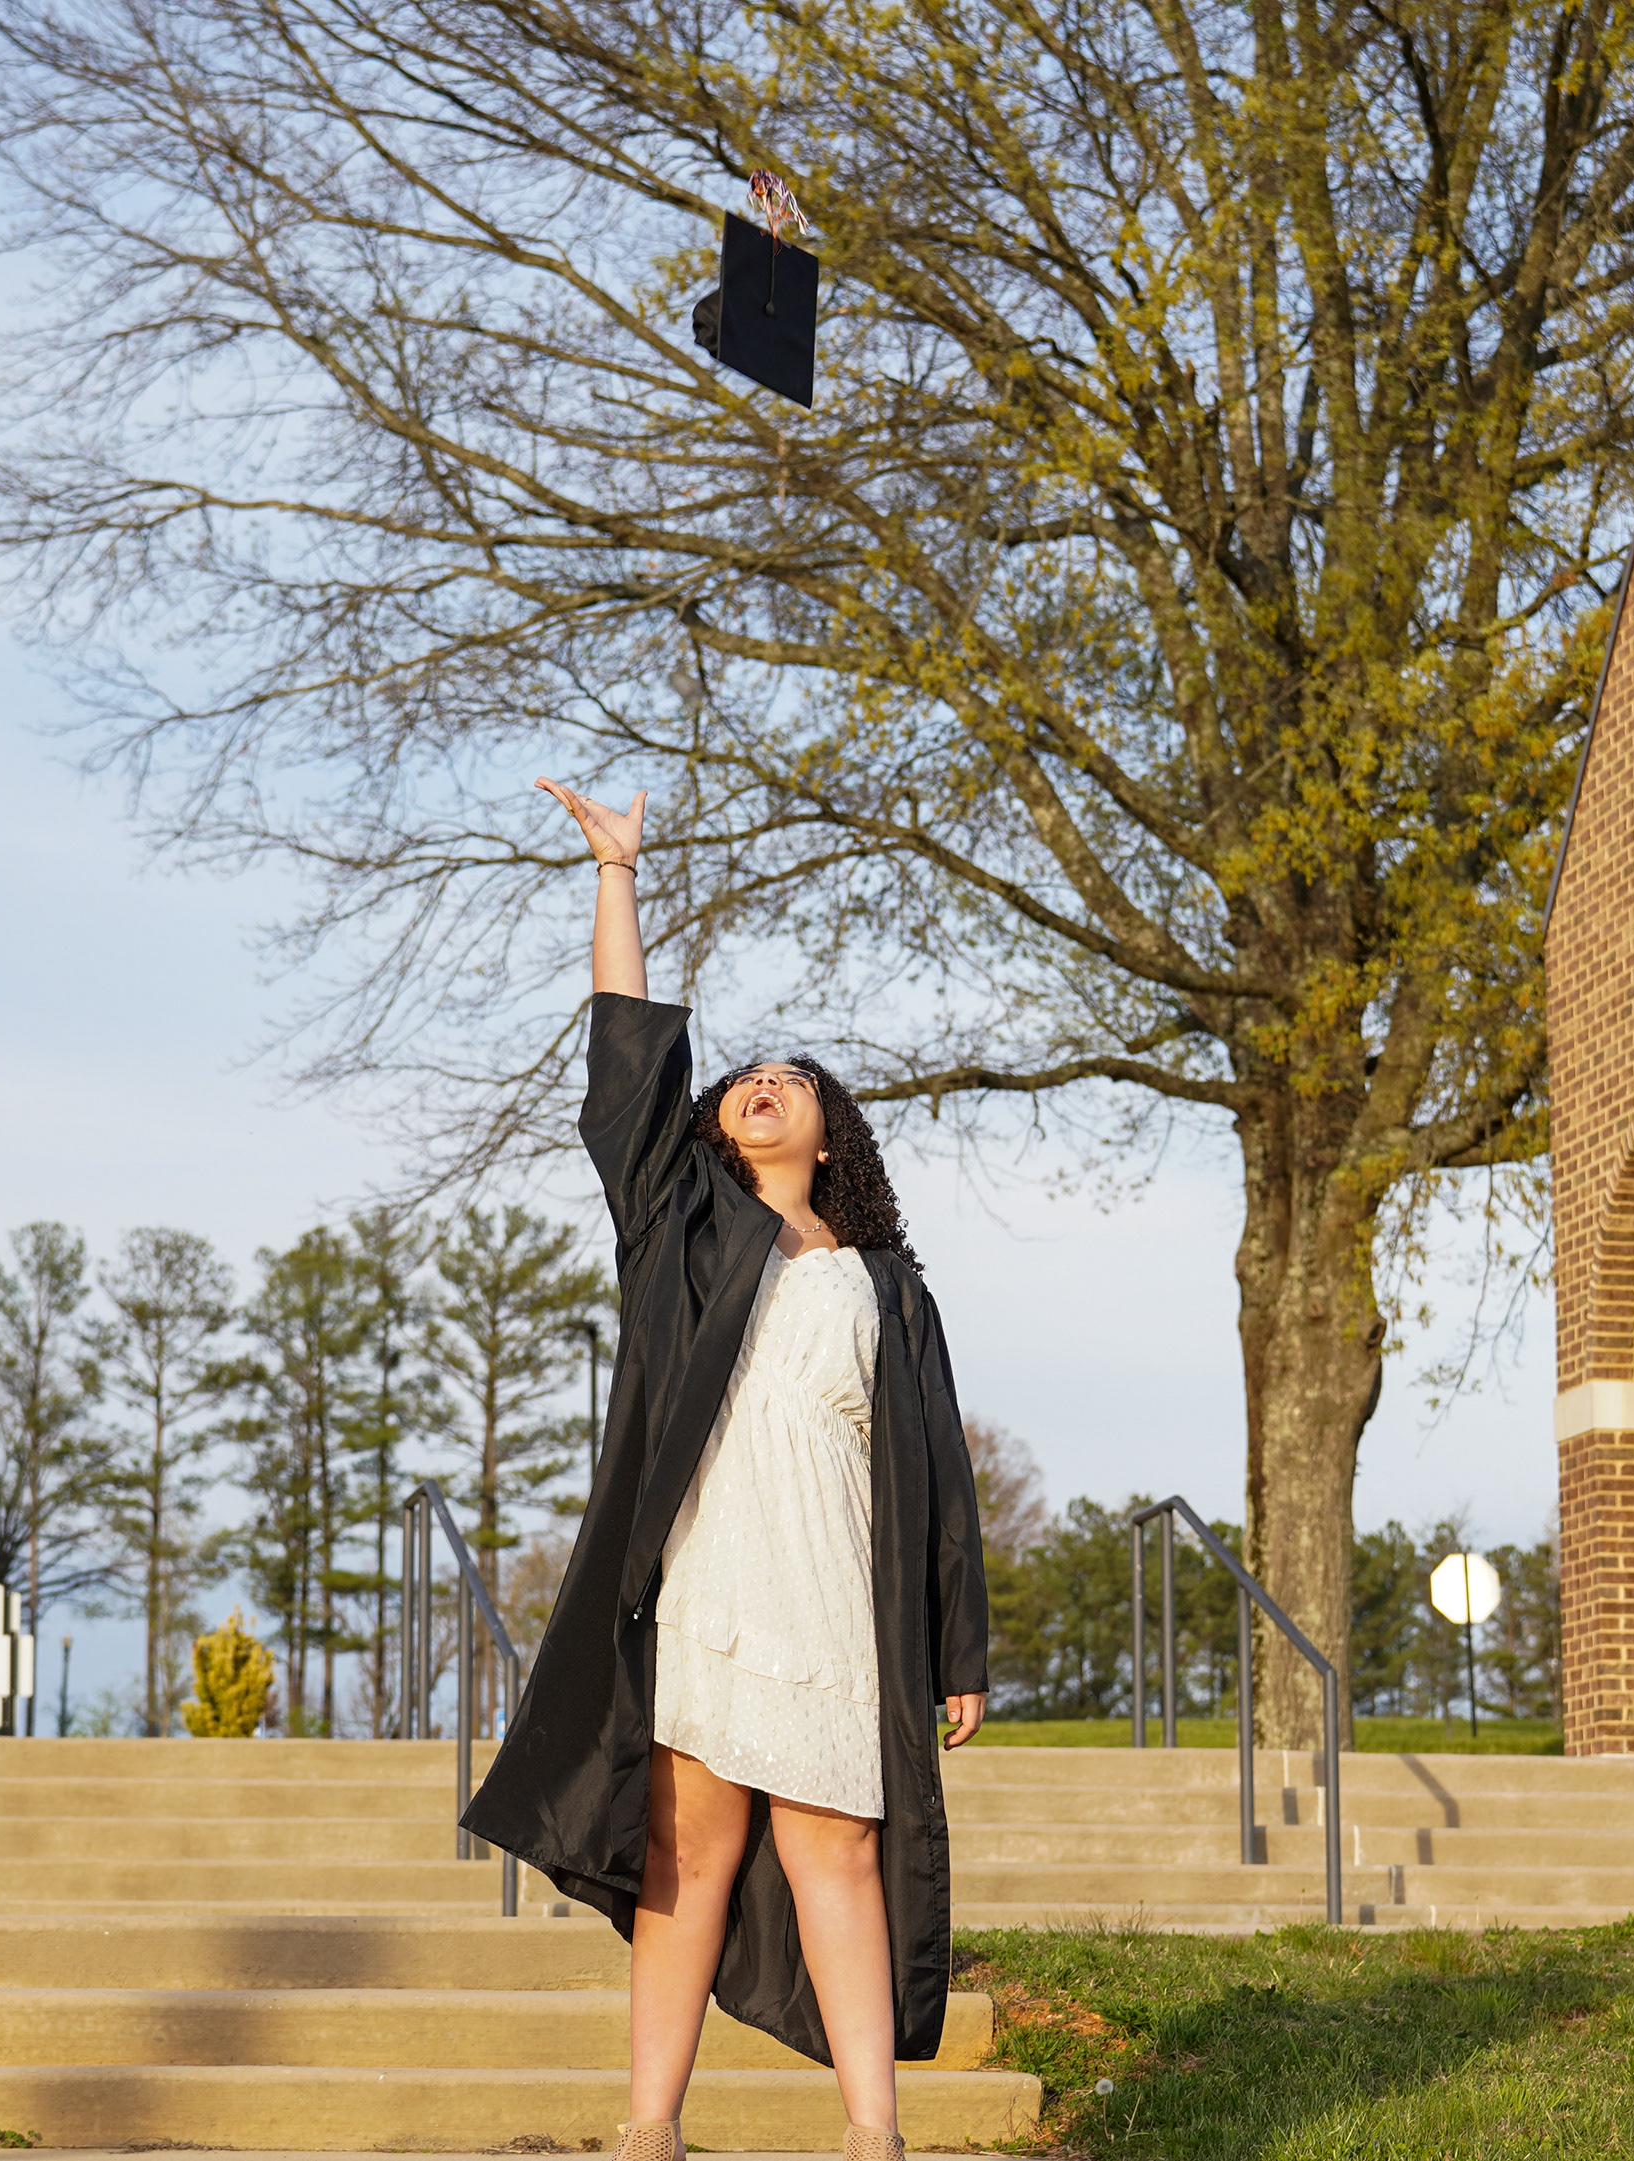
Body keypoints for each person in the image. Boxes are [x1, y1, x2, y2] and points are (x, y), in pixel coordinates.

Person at [462, 779, 992, 2161]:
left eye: (792, 1082)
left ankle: (871, 2133)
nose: (763, 1085)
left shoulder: (889, 1284)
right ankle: (652, 2125)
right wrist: (617, 876)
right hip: (704, 1584)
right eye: (744, 1082)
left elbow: (937, 1476)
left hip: (835, 1599)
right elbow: (627, 1059)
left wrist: (959, 1645)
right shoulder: (678, 1228)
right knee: (683, 1855)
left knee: (839, 1854)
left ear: (830, 1130)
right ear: (711, 1129)